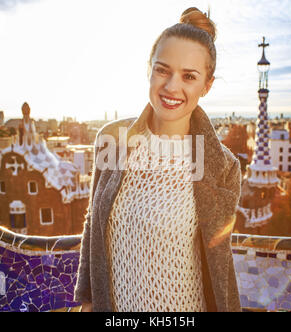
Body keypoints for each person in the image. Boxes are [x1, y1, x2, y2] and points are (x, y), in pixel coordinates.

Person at [75, 7, 242, 312]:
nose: (171, 86)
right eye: (163, 70)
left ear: (207, 85)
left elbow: (219, 263)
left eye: (189, 76)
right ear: (149, 69)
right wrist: (87, 300)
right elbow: (93, 222)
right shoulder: (112, 139)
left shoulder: (224, 167)